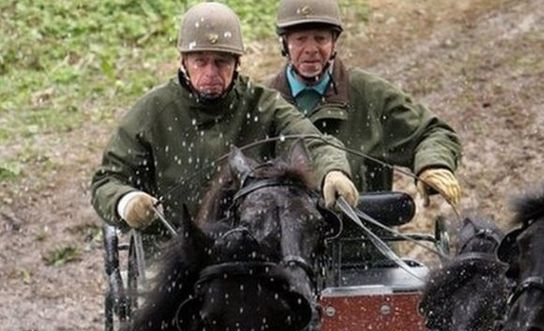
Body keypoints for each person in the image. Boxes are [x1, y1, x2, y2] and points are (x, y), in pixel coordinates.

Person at [91, 1, 359, 243]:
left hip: (251, 248)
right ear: (184, 61)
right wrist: (126, 201)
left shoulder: (263, 104)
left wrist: (332, 172)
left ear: (237, 63)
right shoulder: (153, 110)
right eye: (200, 62)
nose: (210, 72)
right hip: (171, 248)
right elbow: (108, 180)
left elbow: (311, 141)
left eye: (221, 62)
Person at [265, 0, 462, 209]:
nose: (311, 49)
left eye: (320, 38)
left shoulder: (368, 93)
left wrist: (432, 165)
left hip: (363, 234)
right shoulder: (265, 103)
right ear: (285, 44)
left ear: (334, 42)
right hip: (287, 237)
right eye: (300, 39)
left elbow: (432, 132)